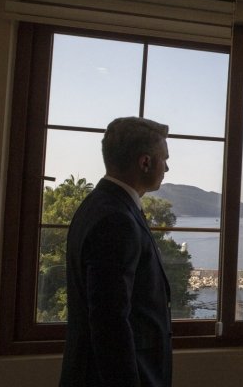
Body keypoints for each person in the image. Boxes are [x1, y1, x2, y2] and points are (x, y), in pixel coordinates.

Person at [60, 117, 172, 387]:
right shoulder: (117, 219)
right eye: (164, 159)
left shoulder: (98, 205)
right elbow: (110, 322)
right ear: (145, 162)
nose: (167, 167)